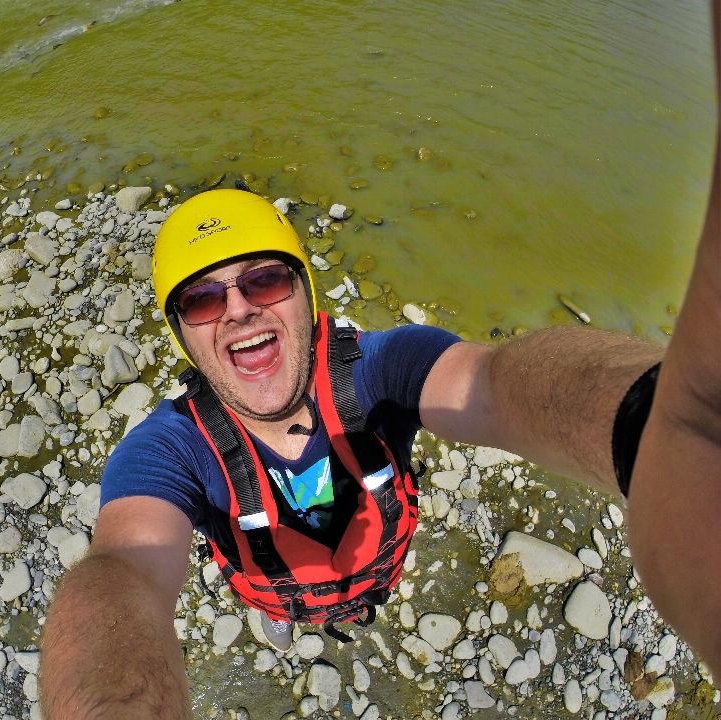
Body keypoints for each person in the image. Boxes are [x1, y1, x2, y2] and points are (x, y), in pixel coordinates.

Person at [40, 6, 720, 716]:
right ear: (183, 336)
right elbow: (122, 573)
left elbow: (493, 385)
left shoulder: (381, 370)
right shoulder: (171, 451)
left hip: (375, 568)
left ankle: (352, 607)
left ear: (307, 294)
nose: (239, 308)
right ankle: (295, 615)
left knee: (361, 600)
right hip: (283, 587)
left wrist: (660, 425)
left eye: (265, 280)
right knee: (288, 609)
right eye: (204, 300)